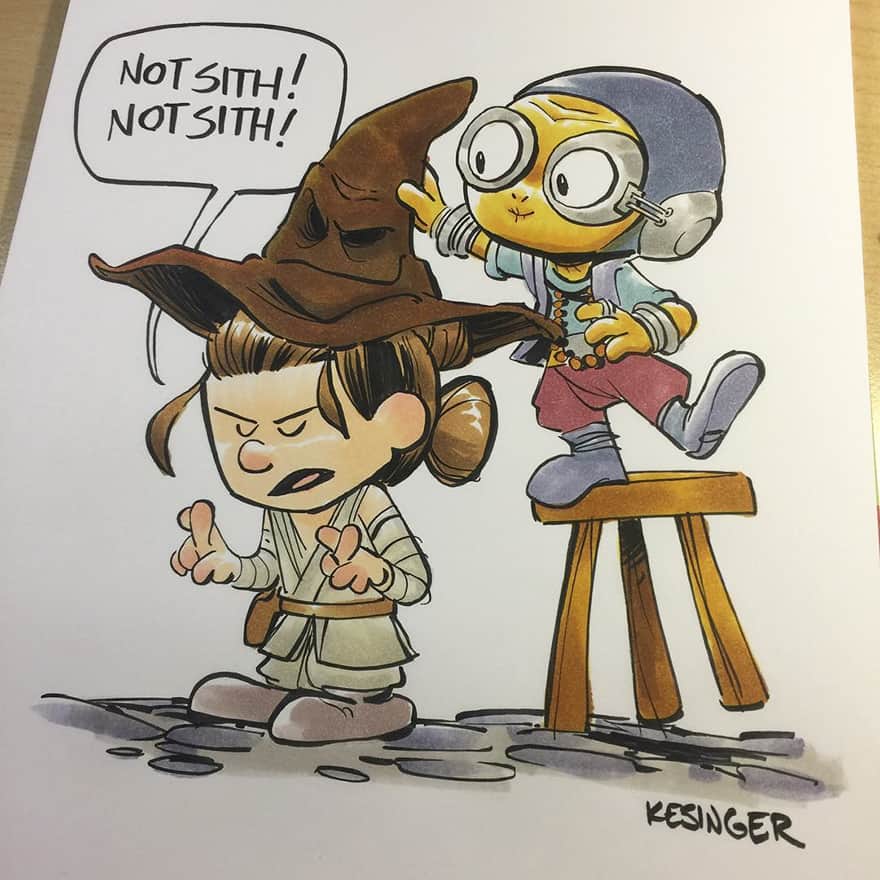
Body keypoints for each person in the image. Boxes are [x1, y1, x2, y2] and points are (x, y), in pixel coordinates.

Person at [89, 79, 555, 743]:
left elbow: (414, 580)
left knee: (337, 695)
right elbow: (271, 569)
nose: (254, 454)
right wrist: (226, 563)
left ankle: (374, 706)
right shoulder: (284, 511)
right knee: (280, 695)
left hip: (357, 649)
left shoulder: (366, 506)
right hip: (294, 640)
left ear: (399, 420)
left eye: (293, 427)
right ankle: (285, 691)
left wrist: (374, 571)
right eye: (235, 428)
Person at [399, 67, 764, 508]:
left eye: (576, 181)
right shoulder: (536, 263)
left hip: (613, 357)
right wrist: (440, 219)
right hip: (565, 364)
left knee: (639, 379)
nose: (521, 195)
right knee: (559, 404)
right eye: (502, 159)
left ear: (666, 220)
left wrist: (642, 331)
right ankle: (595, 460)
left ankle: (686, 428)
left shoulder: (614, 276)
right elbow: (488, 248)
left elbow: (675, 312)